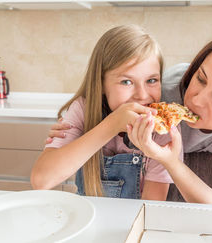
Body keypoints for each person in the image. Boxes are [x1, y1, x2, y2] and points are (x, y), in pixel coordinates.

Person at [47, 29, 212, 206]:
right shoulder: (165, 92)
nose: (195, 100)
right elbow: (116, 95)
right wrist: (79, 126)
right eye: (201, 78)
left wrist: (172, 163)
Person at [30, 25, 174, 200]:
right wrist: (112, 124)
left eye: (151, 80)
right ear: (101, 83)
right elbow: (41, 181)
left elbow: (151, 208)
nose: (142, 95)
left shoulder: (162, 130)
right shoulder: (83, 110)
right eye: (127, 82)